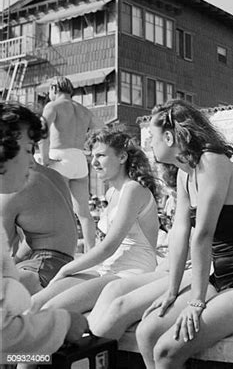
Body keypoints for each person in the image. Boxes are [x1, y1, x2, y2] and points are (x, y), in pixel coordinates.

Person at [135, 100, 233, 369]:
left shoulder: (212, 161)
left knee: (167, 350)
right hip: (222, 278)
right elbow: (179, 234)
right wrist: (171, 291)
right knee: (146, 333)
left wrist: (196, 300)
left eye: (152, 138)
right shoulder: (185, 173)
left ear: (169, 137)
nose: (149, 145)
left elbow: (202, 234)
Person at [30, 128, 159, 314]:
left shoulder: (133, 190)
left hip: (130, 272)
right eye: (92, 156)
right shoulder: (112, 192)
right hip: (105, 269)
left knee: (51, 309)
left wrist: (67, 268)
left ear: (122, 157)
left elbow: (108, 247)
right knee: (35, 302)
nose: (94, 162)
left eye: (101, 156)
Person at [0, 102, 88, 356]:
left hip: (44, 264)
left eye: (31, 150)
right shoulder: (54, 176)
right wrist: (65, 324)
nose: (31, 159)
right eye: (27, 150)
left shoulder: (11, 193)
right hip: (59, 260)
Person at [37, 76, 96, 251]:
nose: (49, 95)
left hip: (59, 157)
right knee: (84, 213)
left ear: (55, 89)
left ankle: (57, 249)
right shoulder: (85, 111)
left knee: (54, 208)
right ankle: (90, 252)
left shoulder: (53, 106)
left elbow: (43, 133)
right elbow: (103, 129)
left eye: (49, 91)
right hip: (79, 159)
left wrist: (45, 158)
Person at [2, 160, 78, 294]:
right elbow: (44, 233)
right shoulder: (54, 176)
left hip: (41, 268)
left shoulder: (15, 184)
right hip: (59, 263)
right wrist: (16, 262)